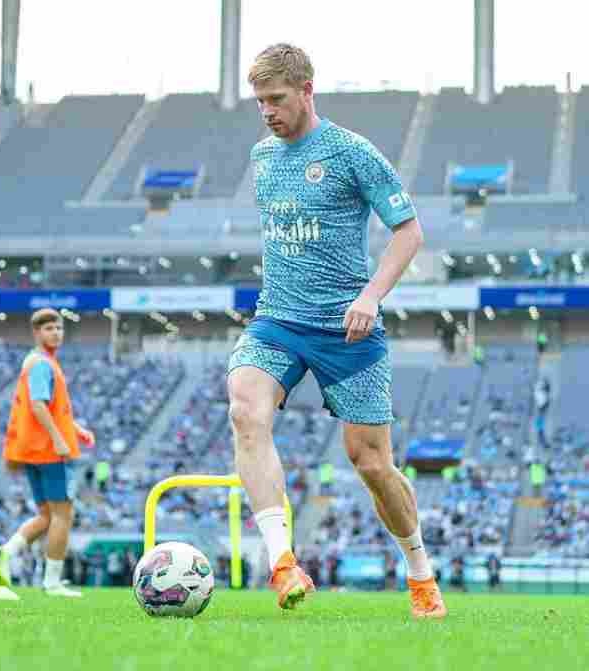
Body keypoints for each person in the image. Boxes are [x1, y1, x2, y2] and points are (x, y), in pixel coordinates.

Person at [228, 44, 446, 617]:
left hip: (347, 331)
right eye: (259, 102)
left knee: (371, 463)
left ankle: (420, 573)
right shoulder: (261, 156)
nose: (267, 111)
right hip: (277, 321)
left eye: (276, 99)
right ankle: (282, 564)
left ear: (306, 90)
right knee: (245, 411)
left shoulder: (352, 153)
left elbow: (409, 232)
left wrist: (371, 297)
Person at [0, 308, 95, 598]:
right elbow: (38, 404)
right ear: (37, 333)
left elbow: (49, 408)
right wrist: (60, 439)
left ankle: (6, 553)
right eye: (49, 329)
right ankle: (52, 582)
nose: (56, 333)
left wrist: (75, 429)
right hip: (48, 451)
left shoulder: (36, 362)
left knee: (46, 515)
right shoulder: (42, 364)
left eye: (59, 328)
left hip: (33, 450)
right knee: (64, 514)